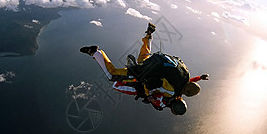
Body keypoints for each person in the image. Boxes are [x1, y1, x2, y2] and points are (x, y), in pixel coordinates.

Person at [80, 23, 208, 115]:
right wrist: (148, 96)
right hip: (143, 73)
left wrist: (200, 78)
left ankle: (149, 35)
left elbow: (190, 81)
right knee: (112, 76)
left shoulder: (184, 77)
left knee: (144, 55)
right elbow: (152, 83)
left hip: (152, 62)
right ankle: (95, 53)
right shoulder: (171, 91)